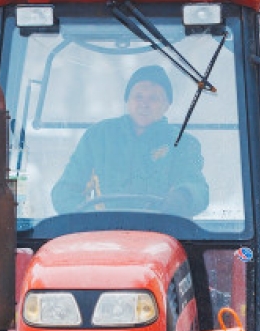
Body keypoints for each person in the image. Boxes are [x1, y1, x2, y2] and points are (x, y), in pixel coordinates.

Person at [51, 65, 209, 217]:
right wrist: (91, 219)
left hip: (162, 232)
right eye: (138, 96)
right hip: (105, 234)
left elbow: (197, 187)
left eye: (154, 98)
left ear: (166, 105)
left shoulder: (182, 143)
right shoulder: (98, 137)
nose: (144, 104)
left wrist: (184, 197)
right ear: (127, 101)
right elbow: (65, 192)